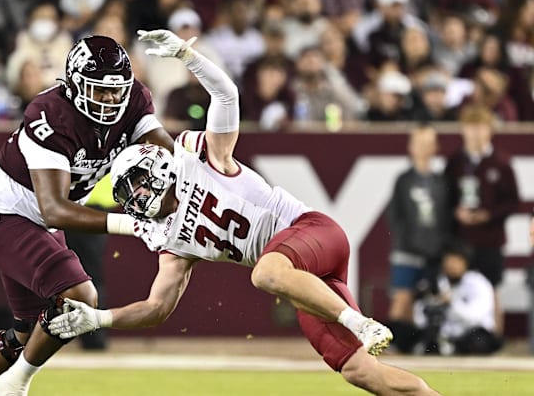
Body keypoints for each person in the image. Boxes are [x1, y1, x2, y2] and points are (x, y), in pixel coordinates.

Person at [49, 29, 441, 396]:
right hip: (300, 277)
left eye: (136, 181)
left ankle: (363, 322)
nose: (134, 195)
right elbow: (156, 308)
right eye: (125, 191)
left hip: (312, 232)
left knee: (266, 272)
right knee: (361, 373)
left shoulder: (200, 157)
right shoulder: (166, 238)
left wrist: (188, 55)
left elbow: (226, 97)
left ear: (160, 167)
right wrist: (99, 319)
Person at [0, 35, 173, 396]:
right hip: (1, 210)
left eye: (116, 91)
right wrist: (132, 224)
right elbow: (55, 209)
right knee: (80, 295)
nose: (110, 101)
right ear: (75, 84)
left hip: (38, 220)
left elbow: (163, 150)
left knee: (26, 333)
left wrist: (181, 184)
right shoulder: (51, 114)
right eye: (99, 91)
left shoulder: (134, 99)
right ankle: (15, 385)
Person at [444, 104, 520, 336]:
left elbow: (513, 201)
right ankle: (459, 337)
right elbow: (445, 197)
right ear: (463, 130)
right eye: (471, 127)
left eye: (480, 127)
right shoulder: (456, 162)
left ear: (490, 130)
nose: (475, 133)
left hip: (490, 238)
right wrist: (456, 212)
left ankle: (495, 337)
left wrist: (489, 214)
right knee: (460, 289)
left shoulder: (501, 162)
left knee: (492, 289)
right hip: (463, 240)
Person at [386, 124, 452, 354]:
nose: (424, 149)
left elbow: (445, 217)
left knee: (429, 301)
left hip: (434, 252)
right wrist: (409, 243)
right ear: (411, 147)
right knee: (402, 298)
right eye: (419, 143)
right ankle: (392, 344)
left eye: (428, 143)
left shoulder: (441, 182)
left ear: (435, 147)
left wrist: (439, 247)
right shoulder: (403, 180)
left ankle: (416, 344)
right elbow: (396, 216)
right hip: (407, 251)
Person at [412, 241, 501, 355]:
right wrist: (434, 304)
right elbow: (420, 312)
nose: (451, 265)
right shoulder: (436, 282)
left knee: (478, 342)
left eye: (456, 261)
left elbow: (475, 316)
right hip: (445, 333)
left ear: (465, 263)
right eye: (448, 260)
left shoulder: (478, 283)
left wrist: (451, 303)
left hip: (473, 332)